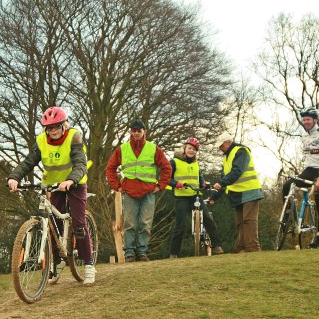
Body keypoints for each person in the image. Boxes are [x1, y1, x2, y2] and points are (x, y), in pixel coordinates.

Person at [7, 106, 96, 285]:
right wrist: (14, 177)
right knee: (53, 225)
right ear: (45, 129)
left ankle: (88, 264)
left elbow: (80, 163)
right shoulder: (41, 141)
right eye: (50, 127)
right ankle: (55, 264)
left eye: (56, 126)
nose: (53, 130)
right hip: (54, 185)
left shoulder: (74, 136)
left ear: (63, 125)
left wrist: (71, 180)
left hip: (75, 183)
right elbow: (28, 162)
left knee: (78, 224)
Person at [106, 119, 172, 261]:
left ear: (144, 132)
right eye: (133, 130)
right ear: (130, 131)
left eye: (139, 130)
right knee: (130, 223)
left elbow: (167, 168)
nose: (136, 133)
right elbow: (110, 168)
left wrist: (160, 185)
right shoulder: (122, 149)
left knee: (145, 224)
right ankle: (129, 252)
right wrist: (117, 186)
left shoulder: (153, 148)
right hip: (129, 193)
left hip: (148, 193)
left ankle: (142, 252)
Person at [282, 107, 319, 248]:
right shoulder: (305, 136)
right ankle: (288, 219)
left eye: (308, 119)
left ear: (315, 120)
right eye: (304, 120)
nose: (306, 122)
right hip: (307, 170)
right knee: (287, 185)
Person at [168, 137, 224, 258]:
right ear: (185, 148)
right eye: (189, 148)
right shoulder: (174, 162)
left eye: (194, 149)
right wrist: (176, 184)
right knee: (180, 224)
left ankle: (217, 246)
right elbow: (167, 178)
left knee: (208, 219)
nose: (191, 151)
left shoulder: (196, 163)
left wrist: (203, 182)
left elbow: (199, 178)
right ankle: (174, 253)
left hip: (195, 195)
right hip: (181, 197)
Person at [212, 133, 264, 253]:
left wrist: (222, 182)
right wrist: (215, 196)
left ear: (228, 142)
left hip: (250, 190)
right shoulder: (226, 157)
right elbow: (224, 178)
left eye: (221, 145)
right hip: (237, 193)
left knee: (249, 220)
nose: (220, 148)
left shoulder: (241, 151)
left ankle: (253, 249)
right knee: (241, 222)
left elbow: (237, 171)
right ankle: (241, 249)